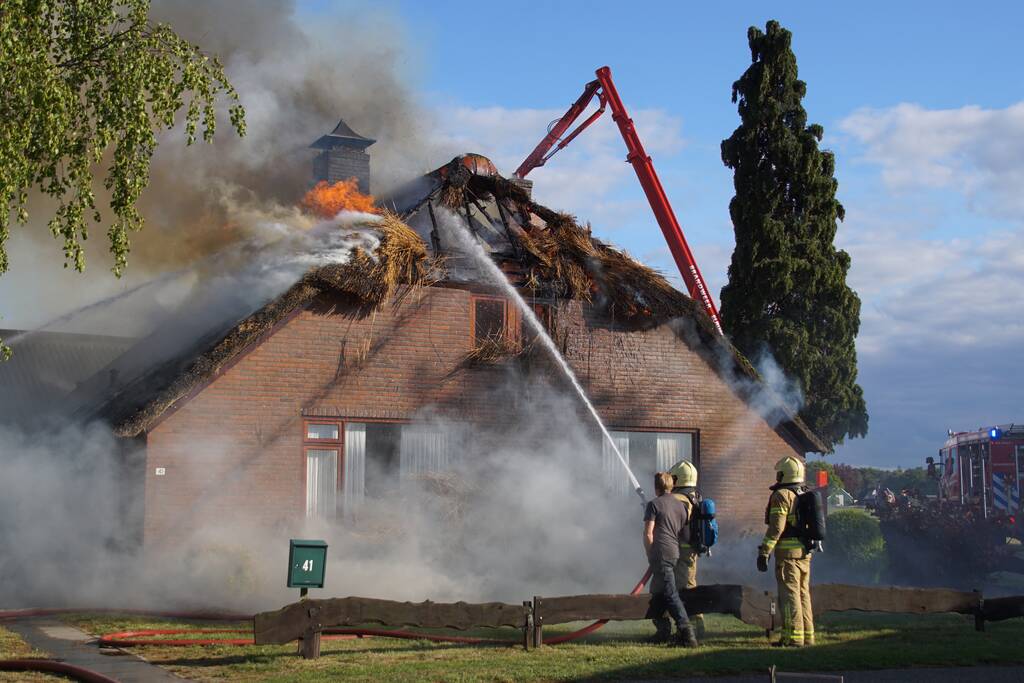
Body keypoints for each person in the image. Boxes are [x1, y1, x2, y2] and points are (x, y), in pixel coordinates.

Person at [756, 456, 814, 647]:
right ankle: (808, 636)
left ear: (784, 474)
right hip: (805, 552)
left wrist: (765, 551)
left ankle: (793, 638)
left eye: (779, 472)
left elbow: (776, 528)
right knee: (803, 594)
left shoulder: (781, 495)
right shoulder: (803, 493)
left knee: (789, 596)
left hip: (788, 556)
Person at [643, 472, 699, 647]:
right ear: (672, 486)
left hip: (660, 553)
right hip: (674, 553)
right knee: (657, 591)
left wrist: (650, 553)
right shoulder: (680, 506)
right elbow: (683, 533)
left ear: (656, 487)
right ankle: (663, 631)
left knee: (670, 594)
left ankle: (687, 634)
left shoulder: (653, 504)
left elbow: (648, 533)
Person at [660, 459, 705, 639]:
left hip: (679, 550)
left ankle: (689, 630)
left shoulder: (677, 499)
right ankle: (696, 627)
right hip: (691, 550)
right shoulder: (695, 498)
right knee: (690, 585)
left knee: (679, 590)